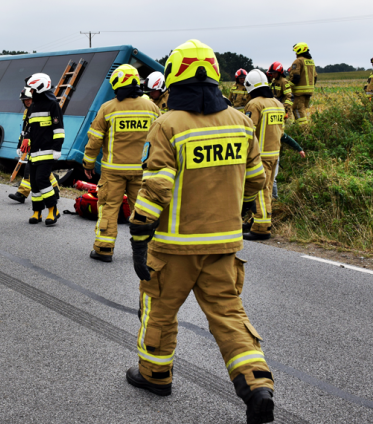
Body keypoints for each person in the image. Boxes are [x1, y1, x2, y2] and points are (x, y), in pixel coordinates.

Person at [126, 39, 274, 424]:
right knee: (229, 314)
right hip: (223, 246)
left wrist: (139, 236)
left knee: (158, 311)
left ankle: (155, 374)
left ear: (175, 77)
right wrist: (235, 208)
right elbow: (256, 180)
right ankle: (256, 384)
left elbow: (156, 187)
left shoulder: (168, 124)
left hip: (174, 247)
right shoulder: (241, 122)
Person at [83, 64, 160, 262]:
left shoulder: (108, 108)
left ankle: (104, 249)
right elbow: (161, 140)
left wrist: (88, 165)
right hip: (142, 171)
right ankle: (148, 252)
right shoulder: (152, 108)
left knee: (109, 207)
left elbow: (94, 141)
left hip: (113, 171)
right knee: (142, 210)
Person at [241, 70, 285, 241]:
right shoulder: (277, 104)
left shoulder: (254, 105)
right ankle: (255, 220)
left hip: (259, 155)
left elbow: (248, 130)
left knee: (259, 188)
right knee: (267, 188)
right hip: (275, 154)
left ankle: (261, 227)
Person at [22, 73, 64, 226]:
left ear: (40, 88)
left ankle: (53, 210)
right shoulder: (32, 107)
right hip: (33, 153)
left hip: (47, 152)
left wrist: (57, 148)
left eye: (32, 90)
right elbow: (28, 129)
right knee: (34, 183)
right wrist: (22, 144)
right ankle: (37, 212)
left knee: (42, 180)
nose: (30, 92)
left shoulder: (53, 105)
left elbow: (58, 129)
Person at [9, 87, 59, 203]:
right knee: (41, 169)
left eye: (28, 99)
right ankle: (55, 189)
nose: (27, 102)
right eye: (24, 100)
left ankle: (22, 193)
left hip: (42, 145)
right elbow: (25, 130)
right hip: (32, 145)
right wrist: (19, 145)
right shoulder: (27, 111)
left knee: (30, 169)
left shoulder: (42, 108)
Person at [289, 42, 317, 125]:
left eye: (296, 51)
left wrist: (288, 88)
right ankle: (299, 128)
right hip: (309, 92)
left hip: (299, 93)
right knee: (302, 110)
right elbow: (315, 77)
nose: (295, 53)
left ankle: (304, 131)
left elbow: (295, 77)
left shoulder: (298, 61)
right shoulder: (311, 62)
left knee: (298, 110)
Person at [271, 134, 305, 199]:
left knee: (271, 179)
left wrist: (299, 149)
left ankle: (274, 198)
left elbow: (286, 138)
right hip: (263, 158)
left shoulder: (276, 129)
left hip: (273, 158)